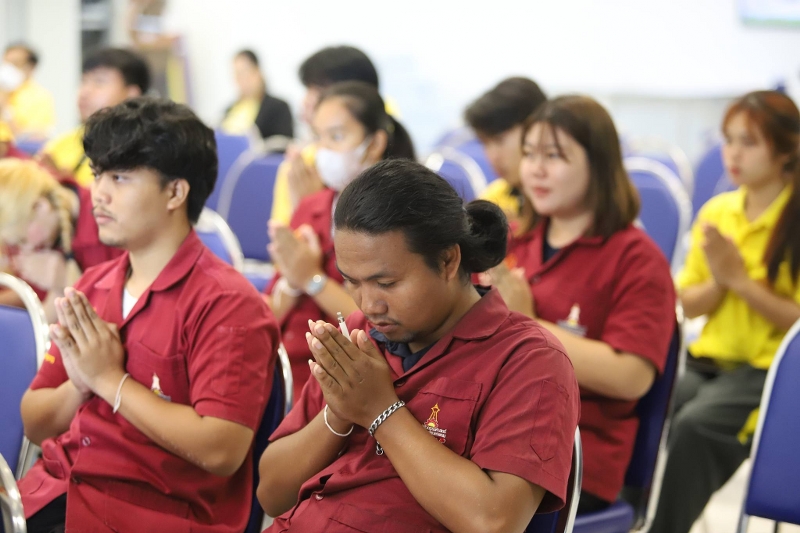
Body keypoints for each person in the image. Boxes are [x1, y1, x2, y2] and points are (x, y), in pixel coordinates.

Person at [257, 158, 580, 532]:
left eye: (387, 283)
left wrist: (381, 411)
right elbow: (271, 494)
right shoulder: (359, 338)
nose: (368, 304)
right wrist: (339, 414)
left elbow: (494, 522)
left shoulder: (528, 359)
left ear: (447, 260)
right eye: (352, 282)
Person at [18, 97, 279, 533]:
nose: (98, 193)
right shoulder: (94, 285)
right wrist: (79, 385)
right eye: (99, 174)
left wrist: (109, 381)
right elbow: (33, 421)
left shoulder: (228, 304)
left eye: (120, 178)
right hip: (59, 493)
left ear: (176, 192)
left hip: (152, 515)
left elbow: (221, 449)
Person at [482, 95, 675, 514]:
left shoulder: (636, 259)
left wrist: (528, 322)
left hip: (572, 457)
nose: (535, 168)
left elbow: (630, 377)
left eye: (554, 156)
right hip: (491, 433)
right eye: (530, 153)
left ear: (599, 164)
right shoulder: (514, 239)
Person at [650, 90, 800, 533]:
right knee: (647, 399)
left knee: (695, 426)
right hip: (707, 360)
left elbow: (797, 326)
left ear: (787, 150)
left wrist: (737, 279)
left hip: (767, 374)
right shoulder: (719, 213)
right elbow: (684, 303)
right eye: (728, 140)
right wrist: (720, 280)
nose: (732, 153)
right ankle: (626, 515)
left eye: (748, 142)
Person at [263, 80, 415, 401]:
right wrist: (292, 284)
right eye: (318, 137)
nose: (323, 151)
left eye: (336, 137)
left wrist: (311, 278)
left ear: (374, 144)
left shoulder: (400, 215)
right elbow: (269, 314)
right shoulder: (311, 206)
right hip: (283, 369)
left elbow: (382, 324)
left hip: (346, 379)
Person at [271, 45, 393, 225]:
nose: (306, 101)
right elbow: (284, 244)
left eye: (319, 91)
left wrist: (312, 207)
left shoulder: (395, 190)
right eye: (308, 90)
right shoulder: (302, 165)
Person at [0, 159, 122, 321]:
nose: (26, 249)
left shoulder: (110, 226)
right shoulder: (47, 232)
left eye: (23, 240)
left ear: (40, 207)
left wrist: (63, 282)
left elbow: (116, 315)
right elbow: (34, 297)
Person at [36, 48, 150, 187]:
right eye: (84, 81)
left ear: (132, 94)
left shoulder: (143, 149)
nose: (84, 92)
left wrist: (67, 185)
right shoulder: (64, 142)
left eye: (99, 82)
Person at [465, 77, 547, 237]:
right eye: (484, 143)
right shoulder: (491, 201)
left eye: (499, 139)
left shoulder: (564, 202)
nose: (492, 156)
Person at [221, 49, 293, 140]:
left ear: (258, 71)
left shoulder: (278, 107)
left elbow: (281, 145)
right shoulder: (228, 110)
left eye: (246, 72)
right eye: (238, 74)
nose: (243, 80)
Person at [0, 42, 56, 140]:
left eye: (14, 63)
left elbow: (31, 139)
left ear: (30, 67)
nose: (7, 68)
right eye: (5, 63)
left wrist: (6, 110)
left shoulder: (40, 97)